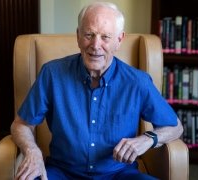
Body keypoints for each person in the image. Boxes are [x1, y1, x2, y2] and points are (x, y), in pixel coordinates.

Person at [11, 2, 183, 180]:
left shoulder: (137, 82)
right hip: (62, 173)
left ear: (119, 40)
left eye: (105, 37)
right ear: (78, 36)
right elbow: (21, 124)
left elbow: (175, 127)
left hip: (119, 174)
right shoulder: (52, 74)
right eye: (89, 34)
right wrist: (32, 152)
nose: (95, 45)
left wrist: (148, 139)